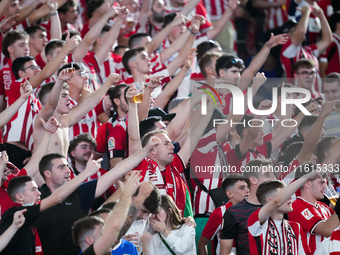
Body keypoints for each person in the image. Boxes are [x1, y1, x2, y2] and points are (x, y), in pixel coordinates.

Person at [0, 153, 102, 255]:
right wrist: (86, 172)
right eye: (33, 190)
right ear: (20, 196)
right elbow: (57, 198)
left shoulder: (24, 217)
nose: (39, 193)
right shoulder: (19, 212)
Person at [72, 171, 150, 255]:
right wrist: (128, 195)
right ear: (89, 240)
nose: (112, 230)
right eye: (106, 227)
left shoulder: (130, 248)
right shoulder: (88, 252)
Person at [247, 177, 319, 255]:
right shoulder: (255, 221)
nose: (291, 196)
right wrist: (307, 176)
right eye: (284, 195)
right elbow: (276, 202)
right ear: (270, 200)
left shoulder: (295, 226)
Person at [220, 159, 276, 255]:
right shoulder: (233, 212)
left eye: (273, 174)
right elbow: (225, 251)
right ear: (253, 180)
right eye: (267, 175)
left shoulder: (280, 208)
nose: (274, 178)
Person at [288, 163, 340, 254]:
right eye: (321, 182)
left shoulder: (323, 206)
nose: (325, 187)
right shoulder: (297, 206)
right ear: (308, 184)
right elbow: (327, 230)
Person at [198, 174, 249, 255]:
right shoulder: (219, 212)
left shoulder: (254, 209)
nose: (247, 190)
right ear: (230, 193)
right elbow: (202, 243)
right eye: (242, 188)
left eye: (247, 187)